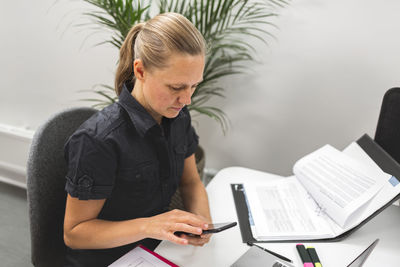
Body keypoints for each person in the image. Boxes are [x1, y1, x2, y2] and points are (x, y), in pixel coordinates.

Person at [63, 12, 212, 266]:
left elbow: (190, 182)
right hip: (110, 258)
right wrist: (149, 226)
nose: (187, 99)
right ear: (140, 70)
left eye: (193, 86)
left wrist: (202, 225)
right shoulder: (98, 141)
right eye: (176, 87)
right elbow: (75, 233)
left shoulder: (178, 117)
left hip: (158, 249)